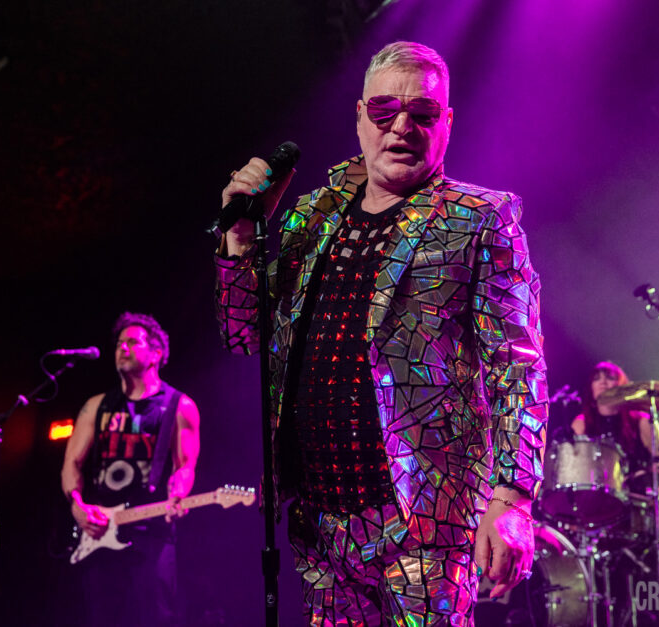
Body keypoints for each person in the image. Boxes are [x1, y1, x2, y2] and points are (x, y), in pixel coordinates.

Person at [215, 41, 547, 625]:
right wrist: (241, 241)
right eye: (384, 111)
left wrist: (512, 499)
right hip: (320, 519)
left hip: (423, 519)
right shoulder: (312, 216)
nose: (402, 127)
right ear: (359, 116)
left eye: (422, 114)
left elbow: (517, 366)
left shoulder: (478, 217)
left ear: (446, 123)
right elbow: (243, 332)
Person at [60, 312, 200, 626]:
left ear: (156, 353)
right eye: (119, 343)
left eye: (132, 342)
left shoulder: (180, 406)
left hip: (152, 536)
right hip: (98, 535)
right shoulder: (96, 405)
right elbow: (71, 463)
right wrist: (78, 507)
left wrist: (178, 494)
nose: (122, 348)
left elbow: (185, 466)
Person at [570, 360, 659, 500]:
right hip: (595, 501)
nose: (603, 382)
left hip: (637, 500)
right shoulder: (581, 423)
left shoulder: (642, 421)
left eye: (610, 377)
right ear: (591, 388)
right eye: (596, 379)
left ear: (621, 384)